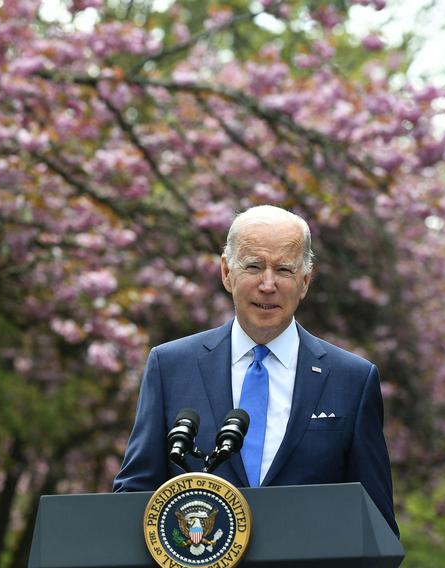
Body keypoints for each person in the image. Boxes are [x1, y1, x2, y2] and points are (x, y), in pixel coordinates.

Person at [113, 205, 398, 537]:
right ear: (226, 273)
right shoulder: (170, 366)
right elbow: (133, 500)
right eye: (253, 266)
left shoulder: (353, 380)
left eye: (284, 270)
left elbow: (376, 527)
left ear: (305, 281)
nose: (267, 284)